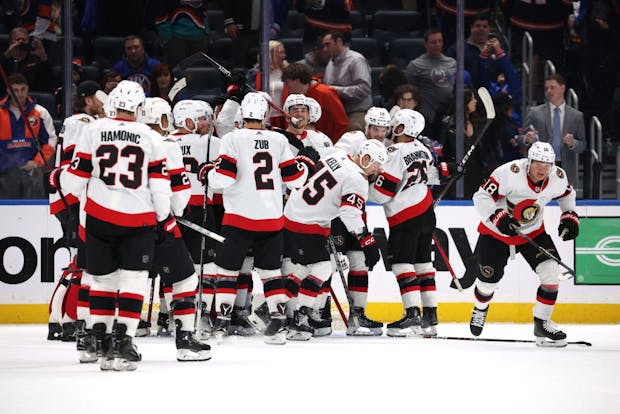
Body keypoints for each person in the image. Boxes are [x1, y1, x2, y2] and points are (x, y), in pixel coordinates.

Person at [47, 80, 172, 371]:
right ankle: (124, 341)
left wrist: (60, 182)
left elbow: (75, 179)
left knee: (101, 281)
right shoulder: (150, 136)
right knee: (132, 282)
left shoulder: (94, 129)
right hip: (137, 218)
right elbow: (159, 185)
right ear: (139, 108)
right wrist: (164, 217)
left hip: (99, 218)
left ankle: (100, 340)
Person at [204, 92, 318, 345]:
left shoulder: (232, 138)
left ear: (242, 115)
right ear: (266, 116)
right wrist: (307, 164)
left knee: (227, 273)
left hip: (238, 219)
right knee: (271, 274)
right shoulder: (278, 140)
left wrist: (208, 174)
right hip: (271, 219)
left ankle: (221, 325)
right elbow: (295, 180)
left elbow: (223, 178)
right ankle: (276, 326)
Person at [469, 141, 579, 347]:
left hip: (533, 233)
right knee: (487, 284)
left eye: (548, 165)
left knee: (551, 272)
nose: (543, 169)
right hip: (496, 234)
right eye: (538, 164)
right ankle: (480, 309)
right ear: (529, 162)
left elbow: (567, 195)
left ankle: (542, 323)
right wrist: (499, 217)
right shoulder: (509, 173)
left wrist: (569, 216)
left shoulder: (557, 177)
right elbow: (481, 196)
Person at [283, 139, 386, 340]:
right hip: (307, 221)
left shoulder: (336, 154)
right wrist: (366, 240)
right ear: (366, 158)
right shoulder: (357, 179)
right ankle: (299, 317)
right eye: (375, 165)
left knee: (306, 269)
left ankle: (277, 306)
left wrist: (307, 154)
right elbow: (349, 213)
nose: (376, 170)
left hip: (297, 213)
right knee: (323, 267)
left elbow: (313, 153)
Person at [137, 97, 211, 361]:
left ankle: (107, 340)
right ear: (162, 120)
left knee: (123, 281)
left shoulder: (130, 140)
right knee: (185, 279)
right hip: (159, 225)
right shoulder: (167, 145)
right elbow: (180, 192)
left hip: (125, 223)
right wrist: (175, 212)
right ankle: (185, 340)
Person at [369, 109, 443, 337]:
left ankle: (411, 314)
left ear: (401, 128)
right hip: (426, 212)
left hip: (405, 215)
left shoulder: (394, 152)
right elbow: (434, 177)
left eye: (395, 125)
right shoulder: (424, 149)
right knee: (423, 263)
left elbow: (381, 194)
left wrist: (366, 182)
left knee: (402, 263)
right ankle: (430, 316)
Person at [47, 80, 106, 353]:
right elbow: (74, 164)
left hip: (69, 196)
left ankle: (60, 320)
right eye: (99, 98)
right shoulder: (81, 122)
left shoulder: (80, 121)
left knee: (78, 261)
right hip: (70, 198)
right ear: (88, 99)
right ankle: (61, 319)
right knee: (79, 262)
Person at [519, 73, 586, 186]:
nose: (549, 91)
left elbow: (583, 145)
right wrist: (526, 138)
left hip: (565, 167)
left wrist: (572, 143)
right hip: (540, 166)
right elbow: (520, 138)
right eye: (546, 88)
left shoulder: (576, 116)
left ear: (562, 88)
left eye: (552, 87)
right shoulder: (535, 112)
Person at [0, 73, 57, 199]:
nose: (19, 94)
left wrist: (36, 162)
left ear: (27, 89)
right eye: (15, 90)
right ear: (9, 91)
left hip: (32, 168)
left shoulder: (40, 112)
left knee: (36, 178)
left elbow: (50, 142)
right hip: (4, 170)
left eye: (22, 89)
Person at [406, 28, 456, 138]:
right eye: (433, 42)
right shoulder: (415, 65)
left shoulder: (452, 63)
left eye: (440, 41)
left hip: (448, 113)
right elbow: (410, 92)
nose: (437, 44)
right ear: (426, 44)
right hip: (427, 116)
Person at [282, 62, 348, 142]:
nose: (286, 85)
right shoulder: (292, 97)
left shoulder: (326, 93)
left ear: (297, 81)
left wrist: (335, 147)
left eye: (287, 82)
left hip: (327, 144)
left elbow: (342, 123)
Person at [439, 88, 487, 199]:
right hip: (457, 174)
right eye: (472, 99)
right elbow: (443, 149)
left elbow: (481, 151)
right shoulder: (448, 124)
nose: (475, 101)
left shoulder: (477, 123)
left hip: (475, 172)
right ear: (464, 102)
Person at [322, 31, 372, 131]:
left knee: (352, 131)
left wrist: (334, 90)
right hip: (337, 113)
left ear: (339, 41)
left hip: (357, 112)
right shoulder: (330, 63)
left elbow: (364, 88)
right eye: (323, 46)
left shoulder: (356, 60)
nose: (325, 49)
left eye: (328, 45)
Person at [154, 0, 211, 69]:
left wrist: (206, 32)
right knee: (177, 73)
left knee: (199, 72)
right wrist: (168, 39)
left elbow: (204, 12)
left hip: (199, 39)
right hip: (176, 41)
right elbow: (161, 17)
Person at [0, 26, 52, 92]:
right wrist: (6, 55)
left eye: (24, 40)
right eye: (18, 40)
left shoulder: (35, 60)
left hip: (32, 96)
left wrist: (43, 57)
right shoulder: (4, 59)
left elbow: (48, 82)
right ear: (10, 42)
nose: (21, 43)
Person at [254, 40, 289, 129]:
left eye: (284, 52)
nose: (284, 56)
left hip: (283, 117)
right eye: (281, 52)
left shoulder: (287, 71)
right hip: (265, 117)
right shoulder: (258, 74)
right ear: (270, 54)